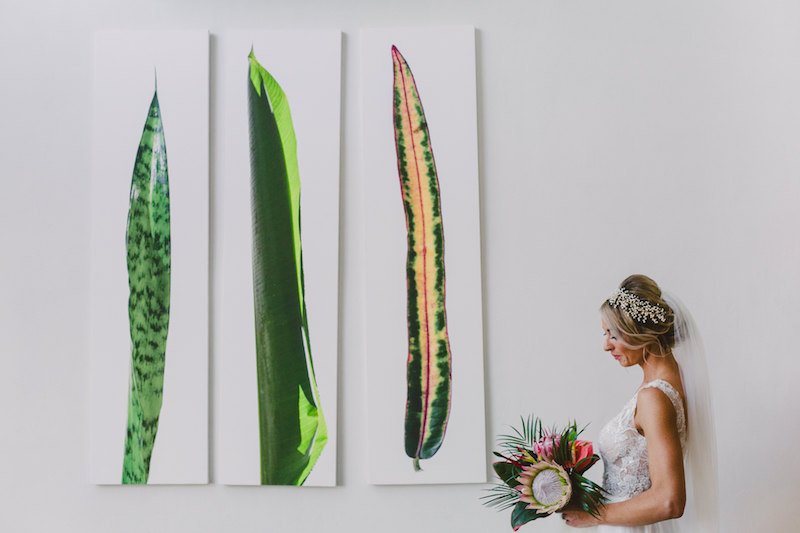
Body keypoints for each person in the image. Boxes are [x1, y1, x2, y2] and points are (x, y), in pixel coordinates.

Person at [560, 275, 719, 531]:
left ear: (639, 333)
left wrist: (595, 514)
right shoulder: (669, 386)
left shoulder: (654, 397)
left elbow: (670, 501)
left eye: (613, 335)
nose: (605, 346)